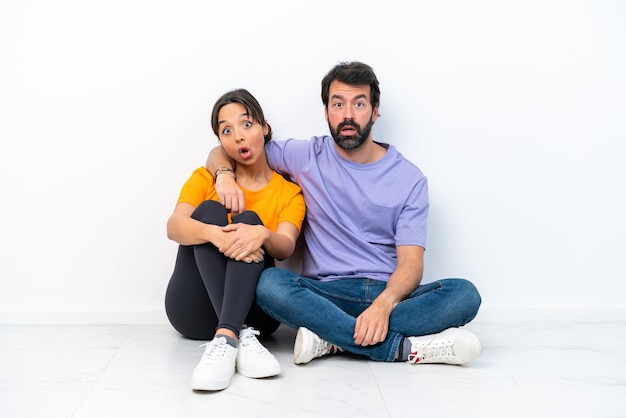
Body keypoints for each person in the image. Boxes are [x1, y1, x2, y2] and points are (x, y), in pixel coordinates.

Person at [206, 62, 482, 367]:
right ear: (326, 112)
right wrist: (223, 175)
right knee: (270, 284)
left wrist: (384, 304)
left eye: (359, 104)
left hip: (388, 293)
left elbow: (412, 263)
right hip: (324, 293)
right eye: (338, 104)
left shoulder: (409, 179)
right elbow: (233, 148)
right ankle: (402, 348)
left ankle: (332, 338)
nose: (347, 114)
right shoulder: (307, 155)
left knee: (464, 295)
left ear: (375, 111)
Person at [165, 88, 306, 391]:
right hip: (193, 311)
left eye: (246, 124)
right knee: (208, 211)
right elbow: (174, 226)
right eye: (226, 130)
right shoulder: (206, 178)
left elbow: (286, 246)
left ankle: (229, 335)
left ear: (264, 128)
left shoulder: (288, 192)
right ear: (220, 141)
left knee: (250, 221)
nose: (238, 136)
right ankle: (235, 334)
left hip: (257, 316)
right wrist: (215, 235)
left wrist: (262, 234)